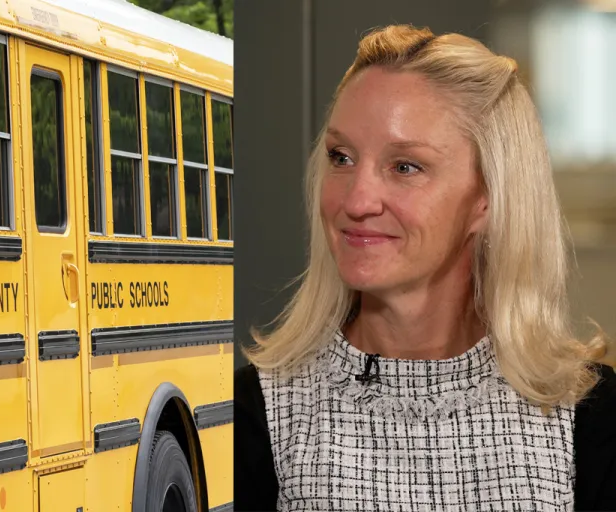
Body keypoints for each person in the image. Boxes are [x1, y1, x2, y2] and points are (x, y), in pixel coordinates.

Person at [234, 24, 616, 512]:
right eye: (341, 157)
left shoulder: (592, 420)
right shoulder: (255, 417)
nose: (357, 200)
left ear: (488, 198)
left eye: (405, 166)